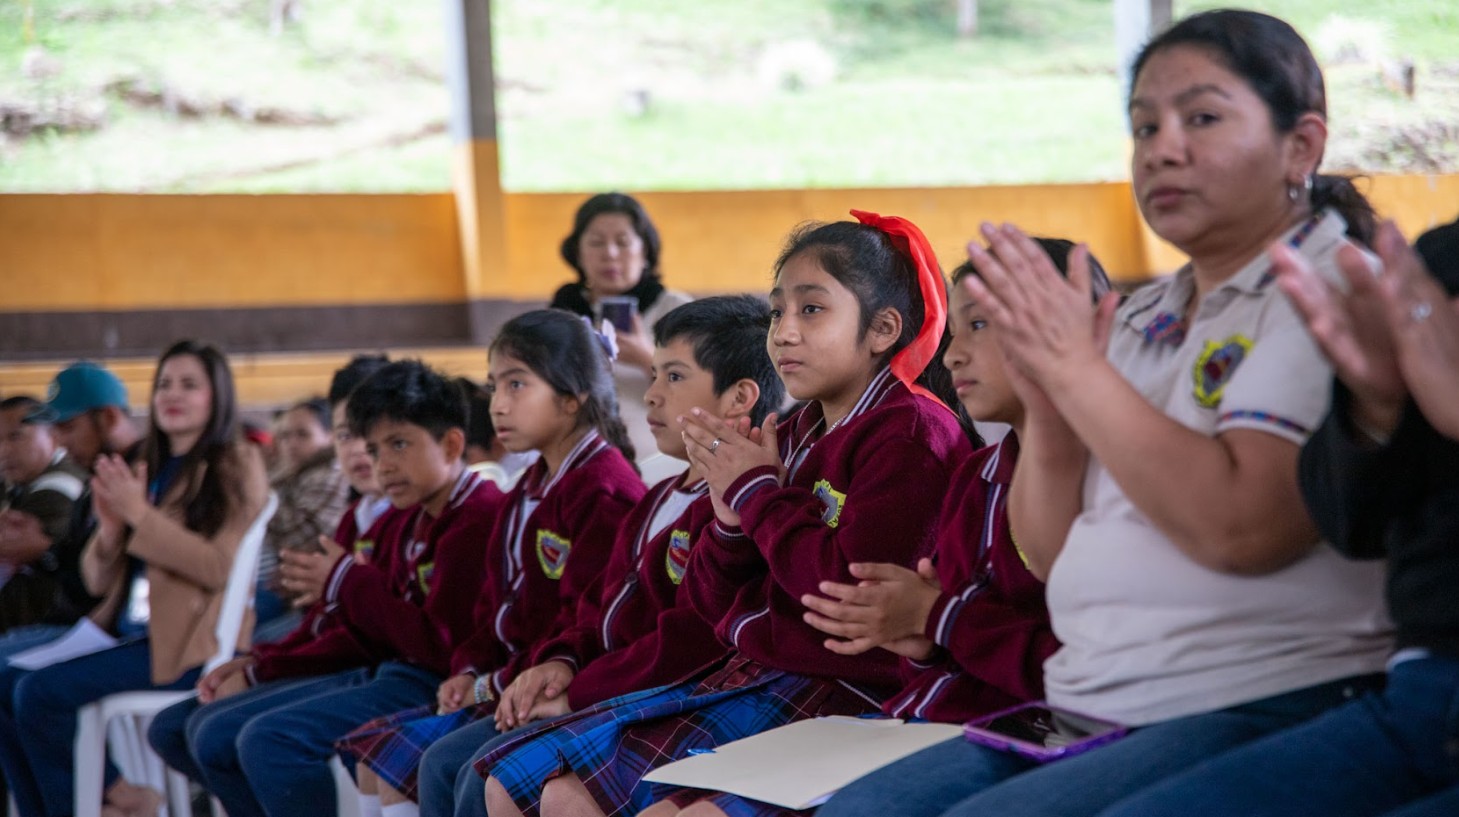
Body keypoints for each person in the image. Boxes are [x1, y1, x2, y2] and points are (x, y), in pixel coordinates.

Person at [818, 11, 1392, 817]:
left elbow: (1241, 529)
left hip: (1258, 694)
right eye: (1144, 126)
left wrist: (1078, 372)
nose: (1162, 149)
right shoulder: (1142, 315)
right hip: (1090, 698)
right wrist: (1051, 407)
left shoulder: (1323, 289)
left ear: (1300, 146)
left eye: (1201, 118)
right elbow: (1052, 552)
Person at [478, 212, 973, 817]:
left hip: (847, 687)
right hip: (760, 667)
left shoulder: (910, 432)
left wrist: (757, 495)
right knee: (521, 784)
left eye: (811, 310)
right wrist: (730, 524)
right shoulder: (793, 431)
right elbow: (711, 601)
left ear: (882, 329)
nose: (784, 333)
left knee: (606, 803)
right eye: (777, 312)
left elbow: (847, 607)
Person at [1086, 219, 1459, 817]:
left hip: (1281, 686)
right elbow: (1355, 527)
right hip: (1421, 694)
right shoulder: (1434, 270)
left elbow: (1244, 532)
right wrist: (1376, 409)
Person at [412, 296, 786, 817]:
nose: (651, 394)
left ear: (738, 397)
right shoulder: (656, 499)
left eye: (674, 377)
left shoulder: (720, 503)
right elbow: (595, 608)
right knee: (444, 762)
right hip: (596, 681)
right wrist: (560, 661)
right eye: (653, 375)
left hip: (655, 693)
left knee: (483, 773)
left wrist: (576, 688)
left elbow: (691, 638)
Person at [152, 359, 502, 817]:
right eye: (374, 449)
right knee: (194, 730)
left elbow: (438, 647)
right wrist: (263, 663)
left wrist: (346, 582)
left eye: (399, 444)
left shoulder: (477, 516)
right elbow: (358, 632)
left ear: (452, 444)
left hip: (436, 684)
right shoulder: (405, 518)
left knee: (266, 740)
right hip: (389, 671)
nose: (383, 464)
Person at [337, 309, 646, 817]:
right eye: (494, 386)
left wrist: (493, 683)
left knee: (451, 768)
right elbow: (493, 609)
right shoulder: (530, 486)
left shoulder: (602, 490)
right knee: (393, 752)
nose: (497, 404)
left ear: (571, 396)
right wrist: (470, 670)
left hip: (563, 686)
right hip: (511, 680)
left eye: (516, 384)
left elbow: (586, 625)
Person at [802, 242, 1101, 733]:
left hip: (1053, 734)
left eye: (979, 325)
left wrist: (940, 617)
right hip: (945, 718)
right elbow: (938, 647)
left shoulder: (1114, 479)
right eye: (956, 332)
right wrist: (924, 641)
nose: (954, 355)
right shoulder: (978, 476)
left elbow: (1089, 667)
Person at [0, 340, 269, 817]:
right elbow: (97, 583)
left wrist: (140, 516)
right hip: (129, 632)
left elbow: (217, 567)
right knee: (7, 682)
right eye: (165, 384)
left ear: (217, 395)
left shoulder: (235, 462)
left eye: (189, 384)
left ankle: (101, 802)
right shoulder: (151, 467)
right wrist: (109, 530)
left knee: (39, 694)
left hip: (190, 645)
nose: (173, 394)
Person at [143, 354, 402, 816]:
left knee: (253, 739)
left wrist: (265, 667)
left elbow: (380, 637)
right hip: (345, 659)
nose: (361, 450)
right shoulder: (356, 518)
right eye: (346, 435)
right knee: (172, 729)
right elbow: (325, 624)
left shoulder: (407, 519)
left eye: (381, 437)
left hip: (381, 671)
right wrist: (260, 661)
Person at [550, 192, 693, 461]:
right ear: (578, 253)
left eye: (623, 242)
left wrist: (647, 359)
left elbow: (703, 392)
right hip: (575, 458)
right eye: (596, 242)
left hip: (659, 460)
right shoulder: (561, 315)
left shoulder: (676, 309)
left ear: (645, 251)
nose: (610, 253)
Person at [254, 397, 350, 641]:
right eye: (285, 436)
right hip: (281, 585)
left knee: (250, 636)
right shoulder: (290, 474)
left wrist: (257, 497)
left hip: (299, 595)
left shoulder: (330, 474)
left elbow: (298, 536)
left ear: (329, 436)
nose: (291, 444)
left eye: (302, 435)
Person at [0, 396, 88, 630]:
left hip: (47, 624)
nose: (4, 450)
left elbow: (9, 547)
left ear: (53, 436)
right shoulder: (17, 482)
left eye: (15, 436)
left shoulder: (60, 488)